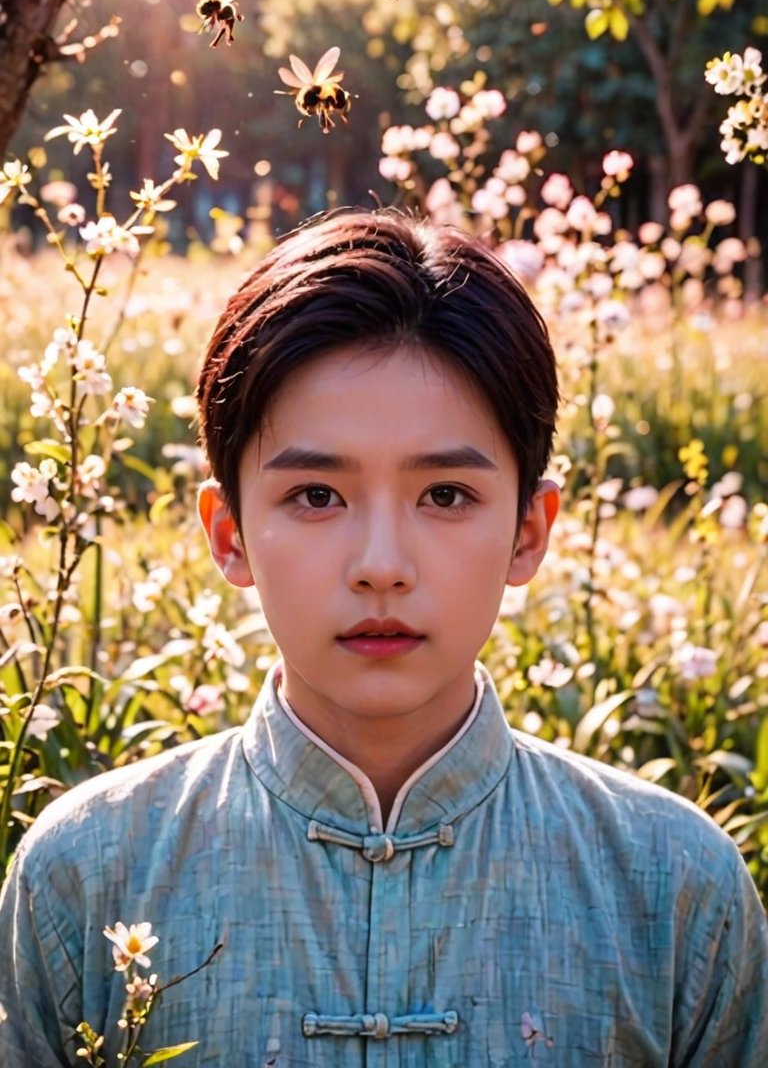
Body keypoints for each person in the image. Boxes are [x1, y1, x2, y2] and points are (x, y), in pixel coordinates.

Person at [0, 207, 766, 1067]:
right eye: (316, 496)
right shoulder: (85, 874)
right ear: (228, 534)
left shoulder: (673, 891)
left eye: (445, 495)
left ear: (529, 531)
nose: (381, 566)